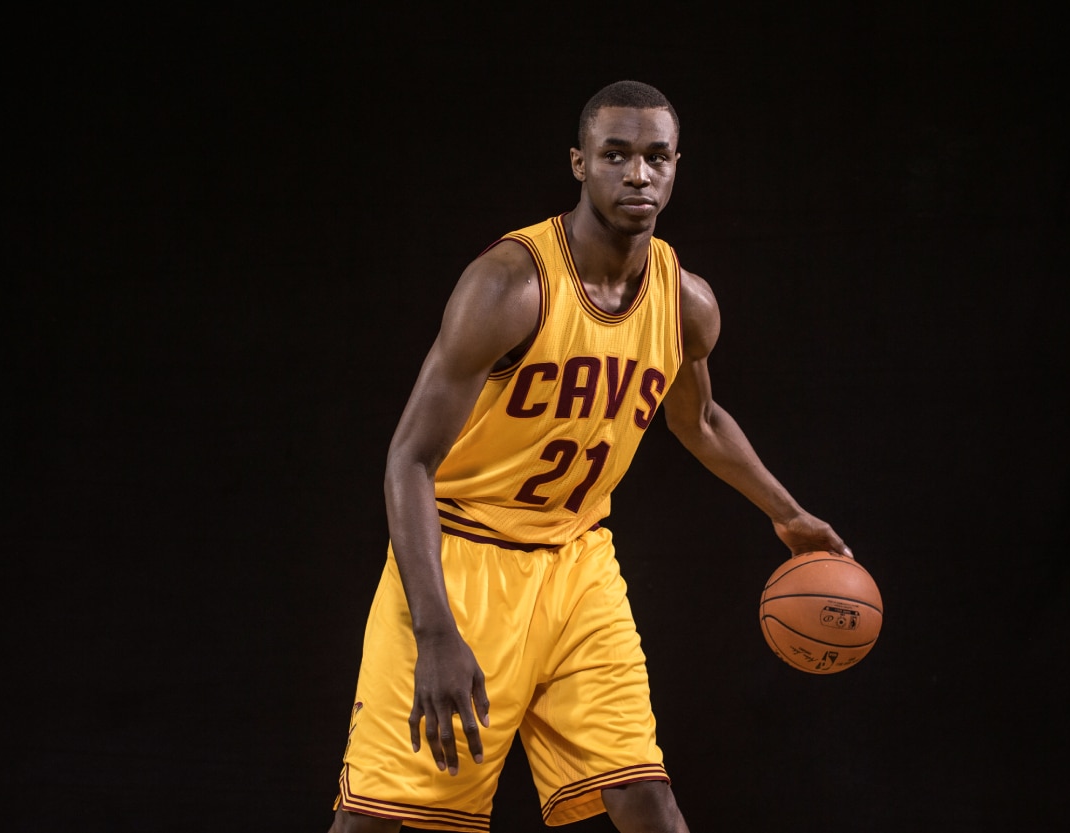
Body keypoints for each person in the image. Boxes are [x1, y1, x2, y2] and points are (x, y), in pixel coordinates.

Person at [328, 80, 850, 833]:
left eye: (656, 157)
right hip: (463, 560)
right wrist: (435, 629)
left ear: (676, 167)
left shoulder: (685, 301)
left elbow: (698, 418)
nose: (638, 174)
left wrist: (789, 514)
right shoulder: (509, 285)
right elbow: (407, 459)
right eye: (617, 155)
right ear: (580, 163)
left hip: (578, 564)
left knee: (647, 801)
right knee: (382, 818)